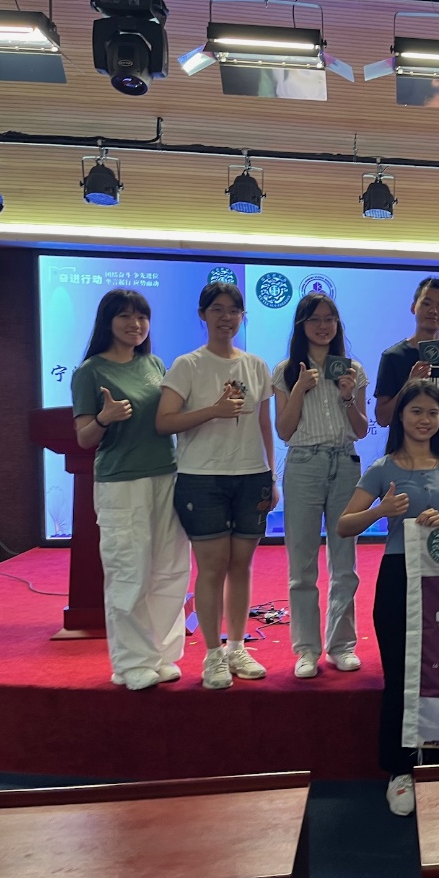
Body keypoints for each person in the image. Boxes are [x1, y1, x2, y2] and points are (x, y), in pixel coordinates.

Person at [337, 379, 439, 817]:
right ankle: (399, 770)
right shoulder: (382, 468)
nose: (424, 420)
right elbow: (343, 524)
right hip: (399, 576)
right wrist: (381, 511)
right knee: (400, 674)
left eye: (432, 413)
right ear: (401, 416)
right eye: (416, 411)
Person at [156, 282, 277, 690]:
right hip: (201, 478)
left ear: (242, 316)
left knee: (241, 565)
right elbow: (165, 422)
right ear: (202, 315)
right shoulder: (187, 365)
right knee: (211, 567)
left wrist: (271, 474)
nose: (226, 317)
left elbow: (264, 424)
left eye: (233, 310)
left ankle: (237, 648)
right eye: (217, 309)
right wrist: (214, 410)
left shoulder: (256, 365)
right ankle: (212, 654)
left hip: (252, 476)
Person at [71, 289, 190, 691]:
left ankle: (161, 654)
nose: (135, 324)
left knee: (170, 570)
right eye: (124, 316)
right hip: (122, 483)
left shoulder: (153, 363)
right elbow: (84, 438)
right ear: (107, 321)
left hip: (167, 476)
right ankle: (131, 662)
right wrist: (104, 418)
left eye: (141, 316)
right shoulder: (90, 371)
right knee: (129, 572)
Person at [272, 291, 369, 680]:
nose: (323, 325)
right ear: (301, 325)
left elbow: (361, 429)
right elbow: (283, 430)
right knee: (302, 565)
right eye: (315, 319)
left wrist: (347, 397)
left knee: (345, 564)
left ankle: (342, 645)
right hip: (304, 464)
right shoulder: (285, 371)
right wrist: (298, 389)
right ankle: (306, 649)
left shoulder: (353, 369)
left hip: (345, 463)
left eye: (330, 318)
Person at [375, 277, 439, 463]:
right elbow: (382, 417)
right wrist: (409, 385)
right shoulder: (393, 356)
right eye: (426, 303)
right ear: (414, 307)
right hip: (403, 457)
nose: (433, 311)